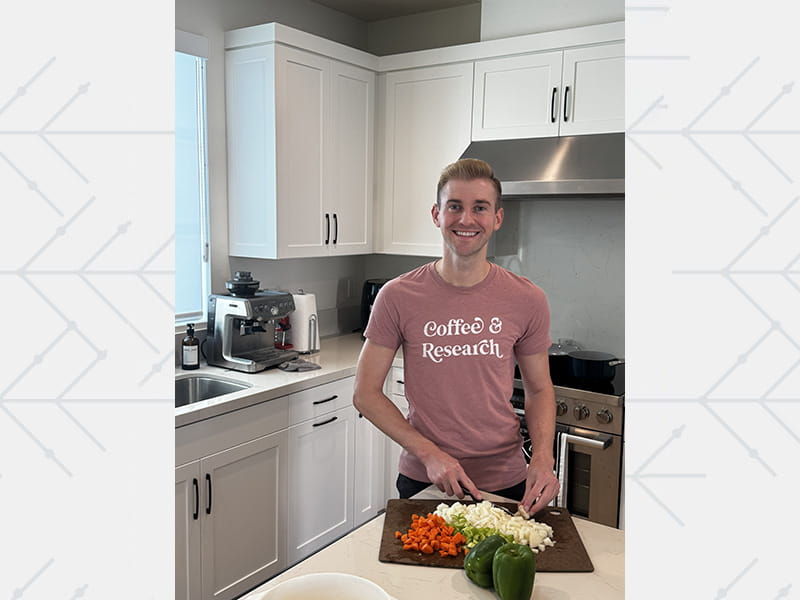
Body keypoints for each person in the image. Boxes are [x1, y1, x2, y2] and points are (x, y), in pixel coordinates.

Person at [353, 158, 560, 516]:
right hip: (425, 480)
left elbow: (540, 388)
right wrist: (430, 454)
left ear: (497, 218)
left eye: (479, 208)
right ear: (437, 214)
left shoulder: (528, 298)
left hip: (506, 481)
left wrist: (543, 457)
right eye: (455, 207)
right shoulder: (398, 295)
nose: (466, 220)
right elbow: (366, 394)